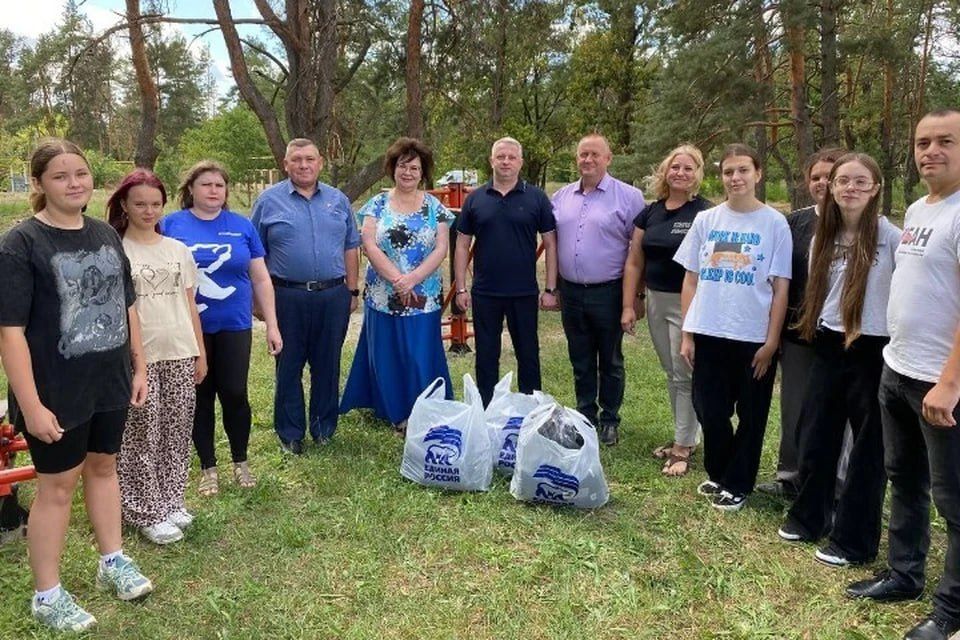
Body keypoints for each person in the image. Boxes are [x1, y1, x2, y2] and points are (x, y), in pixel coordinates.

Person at [0, 139, 153, 631]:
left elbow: (127, 305)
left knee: (105, 467)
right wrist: (30, 404)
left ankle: (113, 561)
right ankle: (47, 595)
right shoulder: (21, 244)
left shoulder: (106, 234)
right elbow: (10, 332)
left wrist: (140, 366)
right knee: (58, 487)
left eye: (81, 174)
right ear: (41, 184)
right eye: (61, 176)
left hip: (109, 381)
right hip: (55, 391)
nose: (74, 183)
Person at [846, 109, 960, 640]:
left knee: (954, 500)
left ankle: (952, 614)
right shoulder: (919, 208)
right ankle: (904, 574)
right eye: (922, 142)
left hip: (942, 383)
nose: (930, 151)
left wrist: (951, 382)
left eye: (945, 142)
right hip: (898, 367)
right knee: (905, 480)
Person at [776, 153, 899, 570]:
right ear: (830, 188)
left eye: (860, 182)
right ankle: (810, 517)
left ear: (876, 189)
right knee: (816, 433)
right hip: (828, 343)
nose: (849, 188)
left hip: (873, 346)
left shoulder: (891, 237)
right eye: (842, 181)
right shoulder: (821, 237)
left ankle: (855, 540)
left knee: (867, 448)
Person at [674, 142, 792, 511]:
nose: (736, 178)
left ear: (758, 174)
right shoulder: (707, 220)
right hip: (710, 331)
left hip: (753, 337)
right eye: (728, 172)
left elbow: (780, 287)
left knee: (752, 415)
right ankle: (720, 472)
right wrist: (688, 332)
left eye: (743, 170)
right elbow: (691, 279)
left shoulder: (774, 223)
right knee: (709, 408)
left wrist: (772, 342)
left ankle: (739, 483)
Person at [161, 161, 282, 494]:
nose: (213, 191)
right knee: (199, 396)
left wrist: (272, 324)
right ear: (190, 190)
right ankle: (207, 467)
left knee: (234, 393)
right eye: (206, 185)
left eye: (219, 185)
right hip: (186, 328)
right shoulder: (170, 224)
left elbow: (260, 277)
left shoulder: (241, 226)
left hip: (234, 325)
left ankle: (240, 462)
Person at [106, 169, 206, 545]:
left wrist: (199, 352)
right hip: (137, 358)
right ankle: (143, 508)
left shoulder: (177, 250)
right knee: (140, 435)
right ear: (125, 207)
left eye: (155, 204)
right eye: (140, 204)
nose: (148, 211)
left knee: (177, 431)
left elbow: (190, 304)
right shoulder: (116, 251)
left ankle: (171, 499)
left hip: (180, 350)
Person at [251, 138, 360, 454]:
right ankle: (290, 433)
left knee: (328, 364)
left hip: (333, 295)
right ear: (285, 164)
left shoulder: (338, 200)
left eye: (309, 159)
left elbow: (351, 246)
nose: (303, 165)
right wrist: (259, 302)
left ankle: (324, 428)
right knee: (289, 365)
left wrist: (352, 290)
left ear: (320, 162)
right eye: (296, 159)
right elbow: (254, 254)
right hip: (287, 296)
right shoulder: (268, 202)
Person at [340, 137, 454, 434]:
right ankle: (392, 411)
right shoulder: (376, 205)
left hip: (423, 295)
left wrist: (412, 280)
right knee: (386, 353)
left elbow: (441, 248)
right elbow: (368, 243)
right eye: (403, 166)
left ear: (423, 172)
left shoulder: (435, 207)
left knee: (420, 353)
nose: (408, 172)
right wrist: (397, 280)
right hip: (382, 293)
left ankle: (423, 409)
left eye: (414, 167)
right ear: (393, 168)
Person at [758, 147, 846, 498]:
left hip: (841, 336)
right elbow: (778, 279)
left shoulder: (857, 221)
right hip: (796, 334)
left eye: (830, 176)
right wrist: (773, 331)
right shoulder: (793, 223)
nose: (822, 183)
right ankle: (790, 476)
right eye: (815, 177)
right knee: (794, 406)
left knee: (839, 413)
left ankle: (836, 485)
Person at [622, 144, 712, 471]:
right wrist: (632, 302)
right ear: (665, 171)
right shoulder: (651, 212)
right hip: (657, 299)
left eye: (689, 168)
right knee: (672, 372)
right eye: (675, 167)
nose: (681, 173)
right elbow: (634, 261)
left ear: (698, 174)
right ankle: (685, 434)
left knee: (683, 371)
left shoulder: (705, 212)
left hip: (690, 301)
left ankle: (683, 447)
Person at [552, 134, 645, 446]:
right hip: (571, 291)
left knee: (610, 359)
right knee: (580, 358)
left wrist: (634, 298)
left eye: (594, 154)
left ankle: (609, 419)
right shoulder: (561, 197)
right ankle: (584, 415)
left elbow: (639, 251)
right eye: (582, 154)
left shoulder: (629, 197)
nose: (587, 160)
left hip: (609, 291)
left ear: (608, 158)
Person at [454, 136, 558, 406]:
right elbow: (462, 245)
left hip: (524, 292)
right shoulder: (475, 199)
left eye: (512, 157)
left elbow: (550, 243)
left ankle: (531, 410)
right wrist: (461, 287)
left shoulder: (536, 198)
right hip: (485, 292)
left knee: (528, 354)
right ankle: (486, 410)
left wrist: (550, 289)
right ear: (491, 161)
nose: (506, 162)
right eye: (500, 157)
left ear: (520, 162)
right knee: (486, 355)